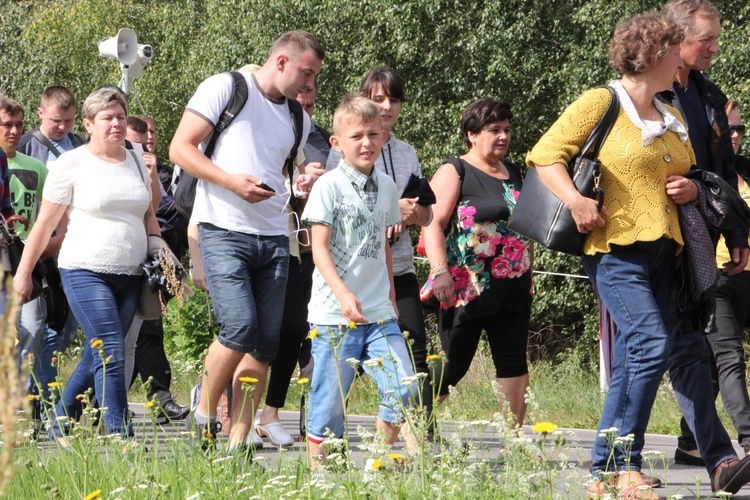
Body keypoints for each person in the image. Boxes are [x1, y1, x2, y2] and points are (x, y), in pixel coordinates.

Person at [527, 11, 750, 497]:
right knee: (649, 345)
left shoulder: (668, 113)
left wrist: (691, 189)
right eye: (676, 51)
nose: (682, 61)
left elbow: (693, 175)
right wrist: (578, 200)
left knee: (640, 357)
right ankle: (616, 468)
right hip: (614, 249)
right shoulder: (602, 101)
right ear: (655, 54)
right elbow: (545, 154)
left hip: (666, 253)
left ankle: (613, 469)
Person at [169, 30, 324, 455]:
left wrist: (305, 177)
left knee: (266, 344)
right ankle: (203, 416)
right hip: (222, 228)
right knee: (239, 328)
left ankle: (238, 444)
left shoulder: (298, 116)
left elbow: (285, 170)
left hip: (275, 236)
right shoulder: (227, 87)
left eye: (314, 78)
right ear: (280, 62)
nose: (309, 85)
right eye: (305, 74)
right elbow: (180, 148)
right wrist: (231, 183)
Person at [13, 87, 159, 441]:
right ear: (89, 123)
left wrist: (161, 255)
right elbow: (44, 225)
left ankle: (59, 423)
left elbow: (149, 216)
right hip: (84, 270)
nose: (116, 124)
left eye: (121, 117)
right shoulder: (71, 163)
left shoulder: (136, 159)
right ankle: (121, 436)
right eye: (107, 118)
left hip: (131, 273)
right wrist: (23, 273)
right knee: (110, 347)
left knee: (96, 355)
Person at [657, 0, 750, 468]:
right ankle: (617, 461)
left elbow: (724, 172)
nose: (715, 48)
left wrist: (735, 234)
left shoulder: (709, 96)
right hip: (650, 239)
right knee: (658, 347)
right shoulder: (644, 94)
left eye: (716, 38)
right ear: (676, 40)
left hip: (700, 239)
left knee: (695, 343)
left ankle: (698, 446)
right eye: (705, 40)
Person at [301, 94, 417, 469]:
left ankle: (376, 461)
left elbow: (382, 243)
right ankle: (323, 477)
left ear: (383, 136)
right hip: (335, 314)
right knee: (328, 402)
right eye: (357, 136)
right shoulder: (328, 187)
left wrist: (390, 294)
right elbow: (319, 249)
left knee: (406, 387)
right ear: (337, 143)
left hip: (379, 312)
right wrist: (343, 293)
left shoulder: (386, 186)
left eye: (373, 134)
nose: (366, 142)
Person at [326, 67, 435, 433]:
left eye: (394, 99)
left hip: (399, 269)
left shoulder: (407, 152)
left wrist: (407, 212)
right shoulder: (343, 149)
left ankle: (420, 445)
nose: (386, 106)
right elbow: (337, 207)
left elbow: (428, 213)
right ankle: (327, 437)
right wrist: (384, 212)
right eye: (377, 98)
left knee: (413, 355)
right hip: (352, 275)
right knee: (346, 368)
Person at [420, 98, 532, 431]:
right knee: (453, 365)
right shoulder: (455, 170)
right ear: (472, 134)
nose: (503, 136)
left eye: (507, 130)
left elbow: (522, 226)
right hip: (466, 285)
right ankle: (417, 424)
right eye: (494, 130)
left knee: (513, 362)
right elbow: (431, 223)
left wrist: (531, 272)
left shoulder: (514, 173)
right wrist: (439, 271)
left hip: (513, 285)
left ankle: (514, 443)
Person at [254, 78, 330, 446]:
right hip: (244, 238)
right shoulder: (257, 128)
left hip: (294, 244)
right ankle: (219, 399)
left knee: (292, 329)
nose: (302, 107)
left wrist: (308, 182)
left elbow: (308, 191)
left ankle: (269, 413)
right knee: (248, 330)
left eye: (310, 103)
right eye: (296, 98)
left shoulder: (317, 138)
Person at [17, 85, 83, 391]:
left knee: (67, 327)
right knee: (36, 324)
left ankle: (40, 389)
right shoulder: (27, 147)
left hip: (75, 245)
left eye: (69, 121)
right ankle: (35, 395)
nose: (62, 127)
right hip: (37, 248)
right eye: (57, 120)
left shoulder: (82, 147)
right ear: (41, 113)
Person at [124, 116, 189, 423]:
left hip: (150, 258)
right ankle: (91, 403)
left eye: (148, 137)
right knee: (119, 335)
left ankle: (159, 397)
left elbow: (164, 212)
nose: (144, 144)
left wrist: (151, 177)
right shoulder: (100, 164)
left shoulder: (159, 172)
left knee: (149, 328)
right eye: (135, 141)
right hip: (110, 259)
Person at [0, 97, 49, 414]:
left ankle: (18, 398)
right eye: (7, 124)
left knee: (29, 325)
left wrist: (9, 218)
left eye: (19, 124)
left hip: (9, 252)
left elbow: (4, 202)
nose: (15, 131)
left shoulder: (2, 163)